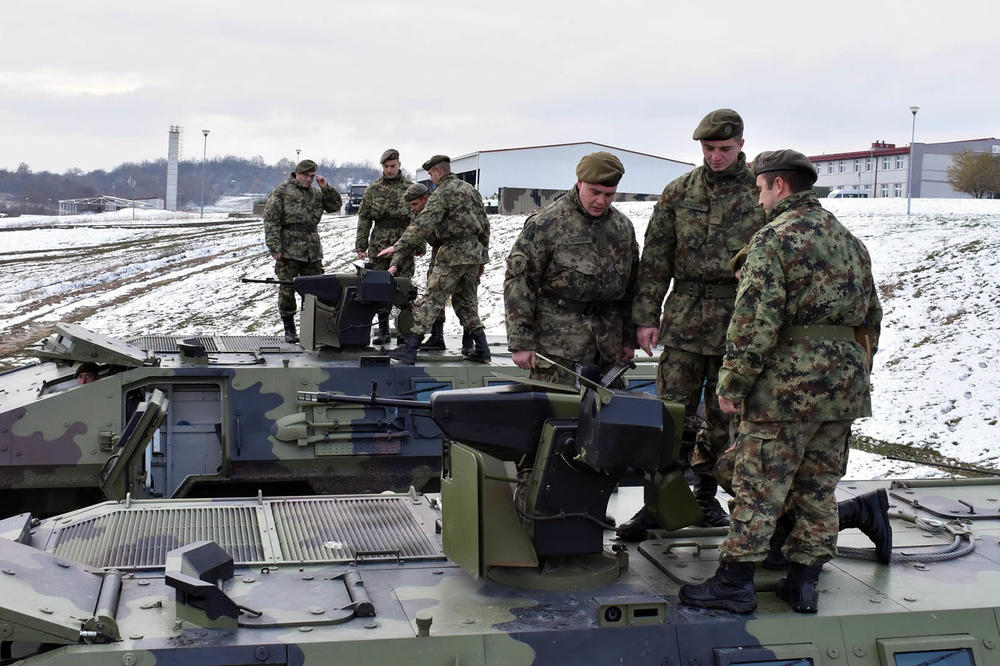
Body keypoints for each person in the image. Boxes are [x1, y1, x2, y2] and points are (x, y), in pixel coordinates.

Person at [678, 149, 883, 615]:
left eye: (761, 190)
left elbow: (754, 322)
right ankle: (803, 582)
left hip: (785, 390)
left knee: (759, 484)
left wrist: (731, 385)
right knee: (818, 488)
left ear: (779, 186)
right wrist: (854, 377)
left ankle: (734, 583)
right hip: (842, 389)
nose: (760, 200)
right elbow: (871, 319)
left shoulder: (773, 240)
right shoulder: (850, 242)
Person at [620, 109, 767, 536]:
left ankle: (706, 498)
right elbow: (656, 259)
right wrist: (646, 317)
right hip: (684, 319)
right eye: (708, 149)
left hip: (737, 324)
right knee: (670, 417)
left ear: (741, 144)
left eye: (724, 148)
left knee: (726, 419)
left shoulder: (760, 189)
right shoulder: (678, 192)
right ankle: (659, 503)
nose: (716, 157)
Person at [504, 151, 638, 386]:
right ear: (579, 183)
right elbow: (520, 284)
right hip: (558, 350)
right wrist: (521, 342)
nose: (601, 201)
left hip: (608, 349)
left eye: (609, 195)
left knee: (610, 418)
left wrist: (628, 338)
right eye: (594, 192)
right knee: (559, 416)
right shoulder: (547, 224)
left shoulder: (622, 227)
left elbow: (631, 287)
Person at [377, 155, 491, 364]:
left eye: (431, 174)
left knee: (432, 299)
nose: (431, 179)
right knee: (466, 303)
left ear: (438, 171)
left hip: (452, 253)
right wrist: (482, 258)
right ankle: (482, 349)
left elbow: (423, 224)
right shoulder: (471, 190)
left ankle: (411, 348)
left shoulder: (442, 194)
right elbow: (485, 226)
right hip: (473, 253)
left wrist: (397, 246)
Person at [263, 159, 343, 343]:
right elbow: (271, 219)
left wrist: (326, 188)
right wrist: (274, 246)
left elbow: (334, 206)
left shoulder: (316, 193)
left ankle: (315, 328)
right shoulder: (282, 192)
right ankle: (289, 328)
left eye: (312, 176)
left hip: (311, 249)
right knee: (287, 289)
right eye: (306, 176)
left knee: (316, 290)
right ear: (297, 174)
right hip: (288, 249)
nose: (309, 179)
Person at [402, 183, 474, 355]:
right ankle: (437, 336)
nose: (413, 209)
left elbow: (479, 227)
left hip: (460, 254)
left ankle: (469, 340)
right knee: (434, 295)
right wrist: (396, 260)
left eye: (415, 204)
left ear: (425, 199)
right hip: (439, 255)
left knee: (465, 297)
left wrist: (481, 259)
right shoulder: (419, 212)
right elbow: (413, 235)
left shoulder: (444, 205)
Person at [355, 148, 414, 345]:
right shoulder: (374, 189)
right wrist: (361, 244)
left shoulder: (409, 187)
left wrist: (419, 244)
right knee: (379, 288)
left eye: (392, 166)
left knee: (403, 287)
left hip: (404, 240)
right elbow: (364, 218)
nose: (389, 170)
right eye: (386, 166)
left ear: (399, 165)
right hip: (379, 243)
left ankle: (407, 330)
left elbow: (419, 219)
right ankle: (382, 330)